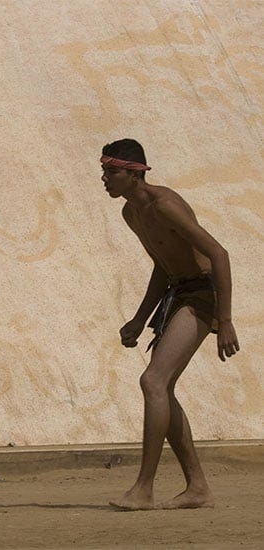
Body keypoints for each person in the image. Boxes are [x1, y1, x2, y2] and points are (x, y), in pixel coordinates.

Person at [101, 139, 240, 511]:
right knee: (163, 387)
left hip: (202, 294)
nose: (104, 179)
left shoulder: (165, 205)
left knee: (153, 381)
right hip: (178, 294)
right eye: (104, 171)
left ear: (134, 174)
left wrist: (225, 320)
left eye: (111, 172)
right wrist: (139, 318)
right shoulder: (131, 214)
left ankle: (144, 489)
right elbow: (163, 265)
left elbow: (218, 253)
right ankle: (197, 487)